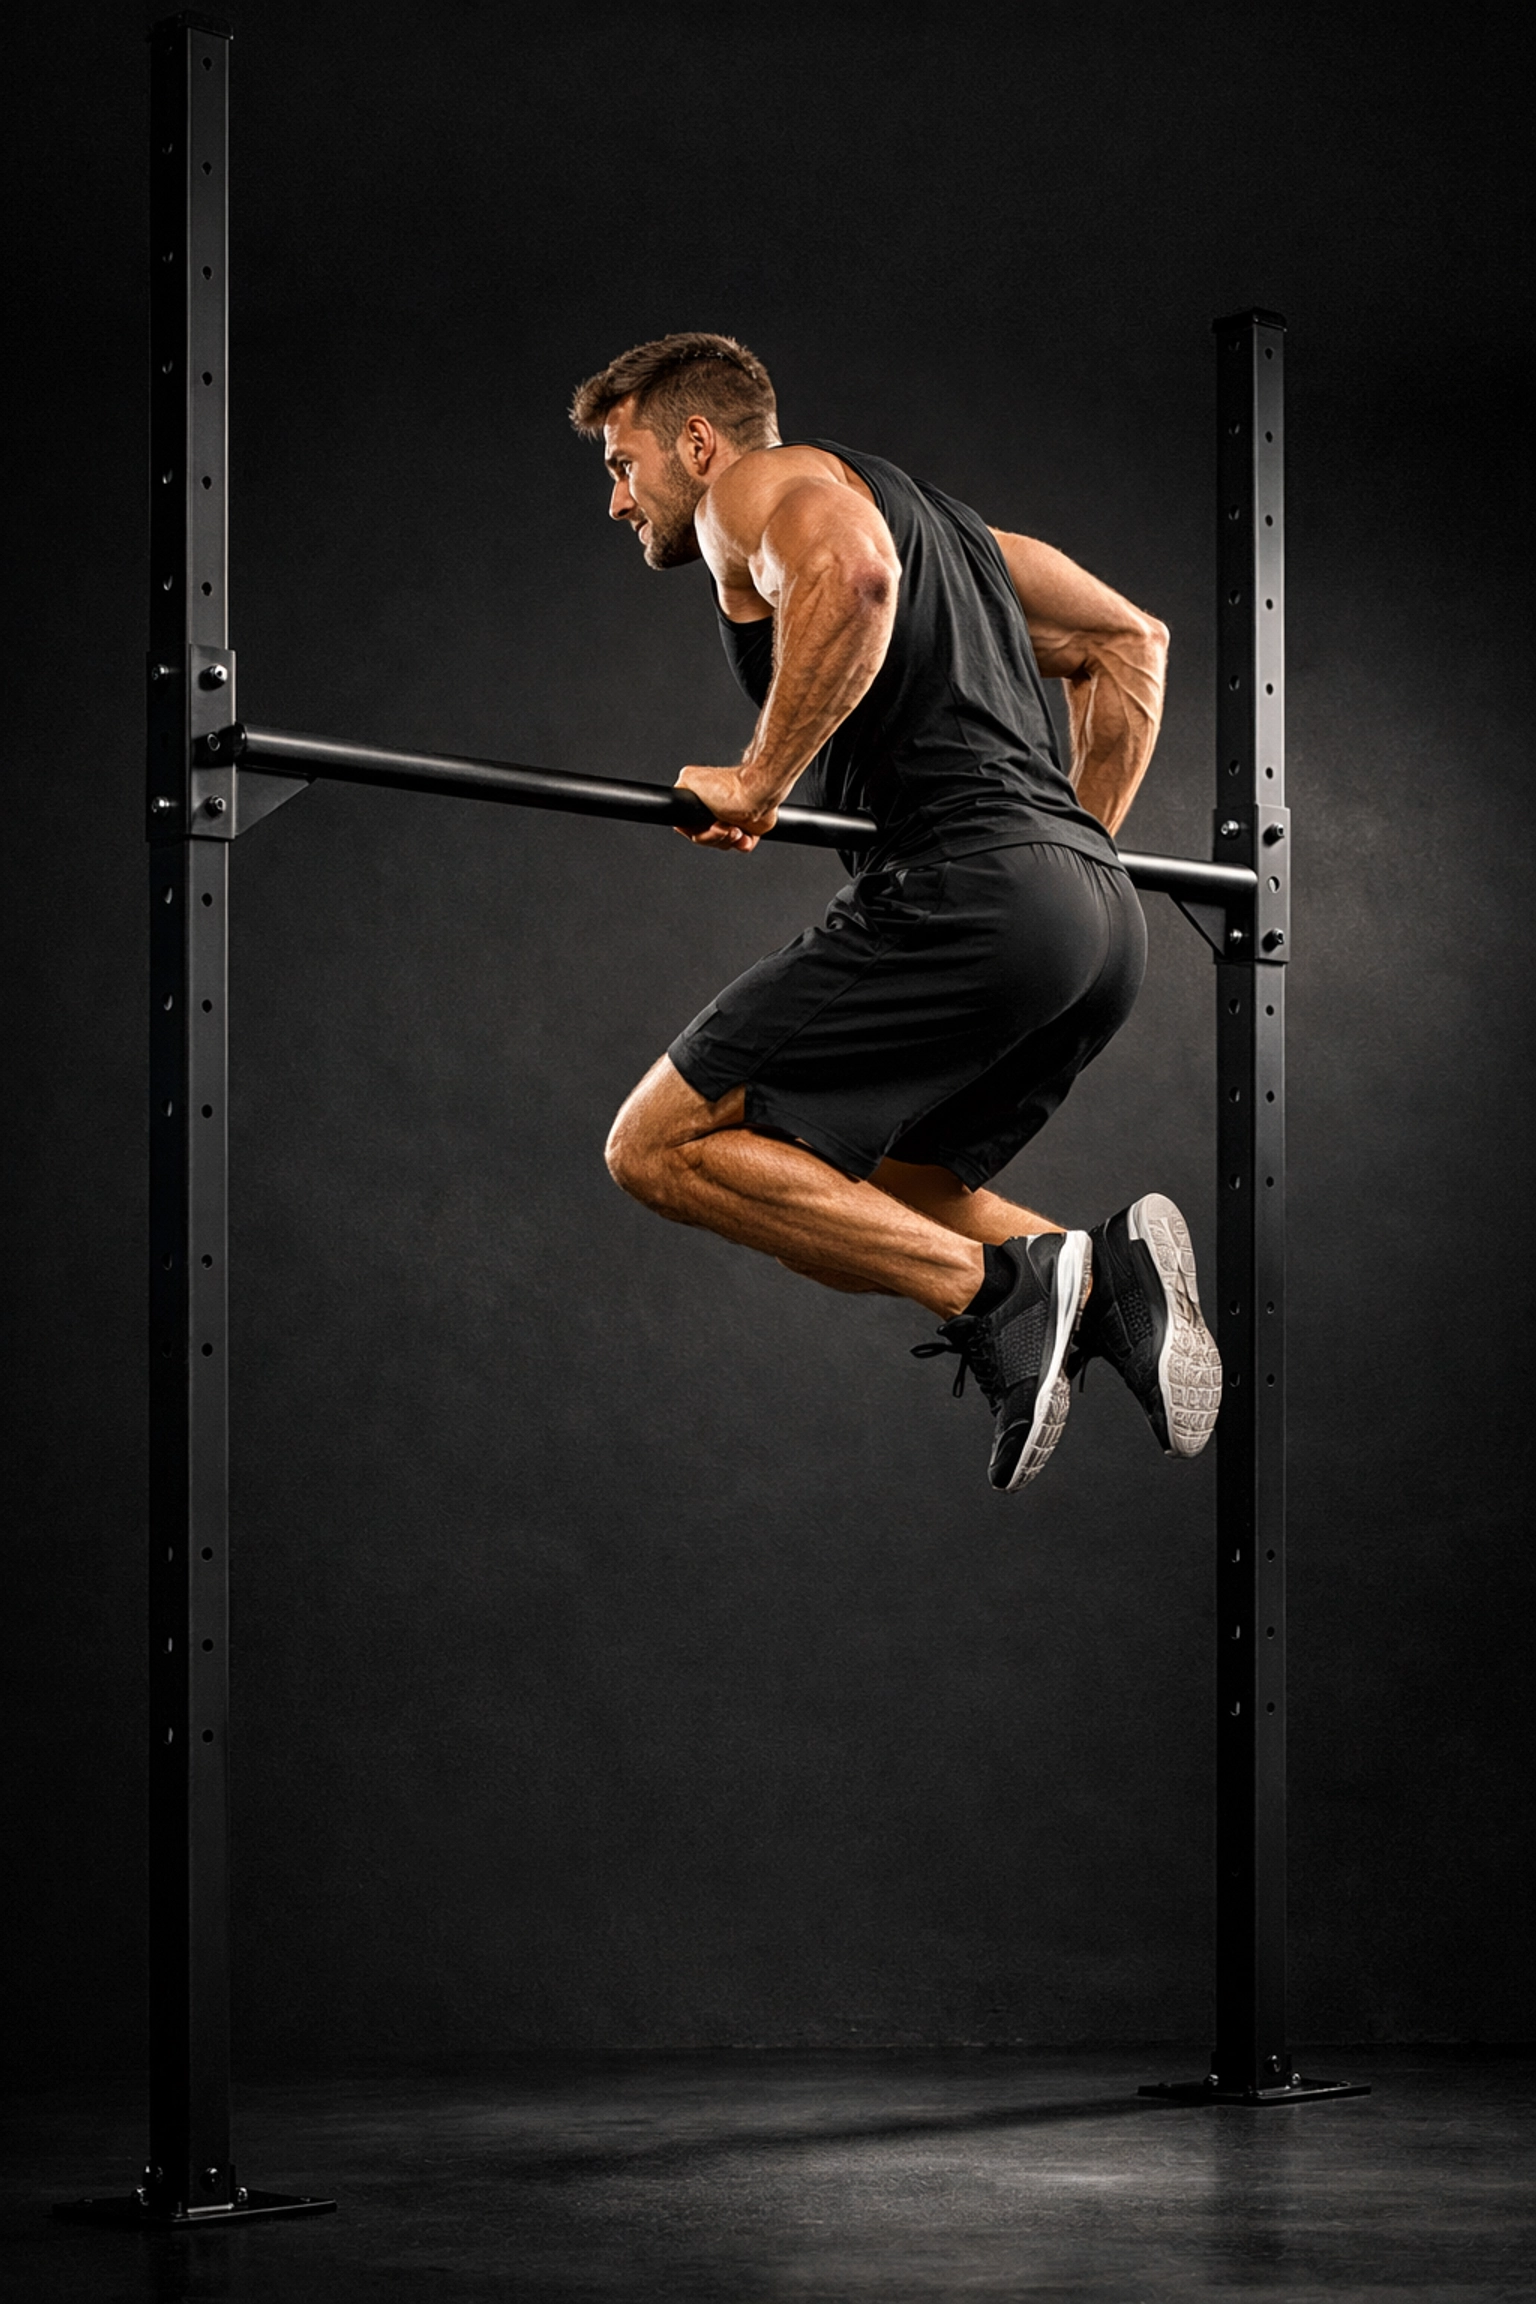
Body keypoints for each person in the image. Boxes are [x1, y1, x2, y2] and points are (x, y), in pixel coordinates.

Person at [570, 332, 1220, 1492]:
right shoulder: (958, 537)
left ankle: (1006, 1292)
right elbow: (1133, 642)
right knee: (877, 1196)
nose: (618, 500)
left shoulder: (754, 492)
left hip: (968, 887)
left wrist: (760, 777)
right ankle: (1105, 1276)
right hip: (1095, 923)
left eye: (626, 464)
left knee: (653, 1149)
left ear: (699, 441)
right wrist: (1070, 856)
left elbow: (854, 579)